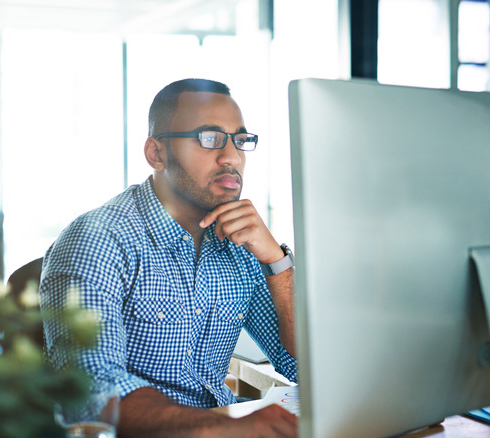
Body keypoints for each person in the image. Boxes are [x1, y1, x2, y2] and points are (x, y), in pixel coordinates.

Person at [40, 78, 298, 437]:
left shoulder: (243, 245)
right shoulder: (98, 240)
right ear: (156, 154)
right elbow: (92, 392)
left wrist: (276, 261)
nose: (231, 157)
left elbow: (301, 365)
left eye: (240, 141)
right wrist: (221, 426)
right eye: (209, 139)